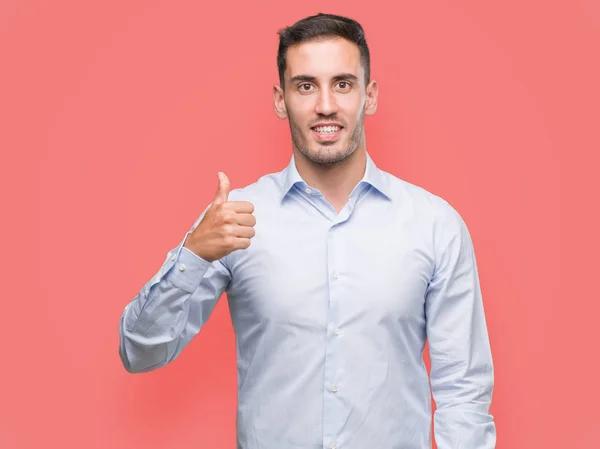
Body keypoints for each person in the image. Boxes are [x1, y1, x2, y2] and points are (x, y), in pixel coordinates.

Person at [119, 12, 496, 449]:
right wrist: (192, 256)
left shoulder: (434, 224)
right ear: (280, 100)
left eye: (342, 84)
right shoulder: (236, 218)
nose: (325, 105)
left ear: (369, 95)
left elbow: (463, 390)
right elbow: (140, 352)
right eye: (305, 86)